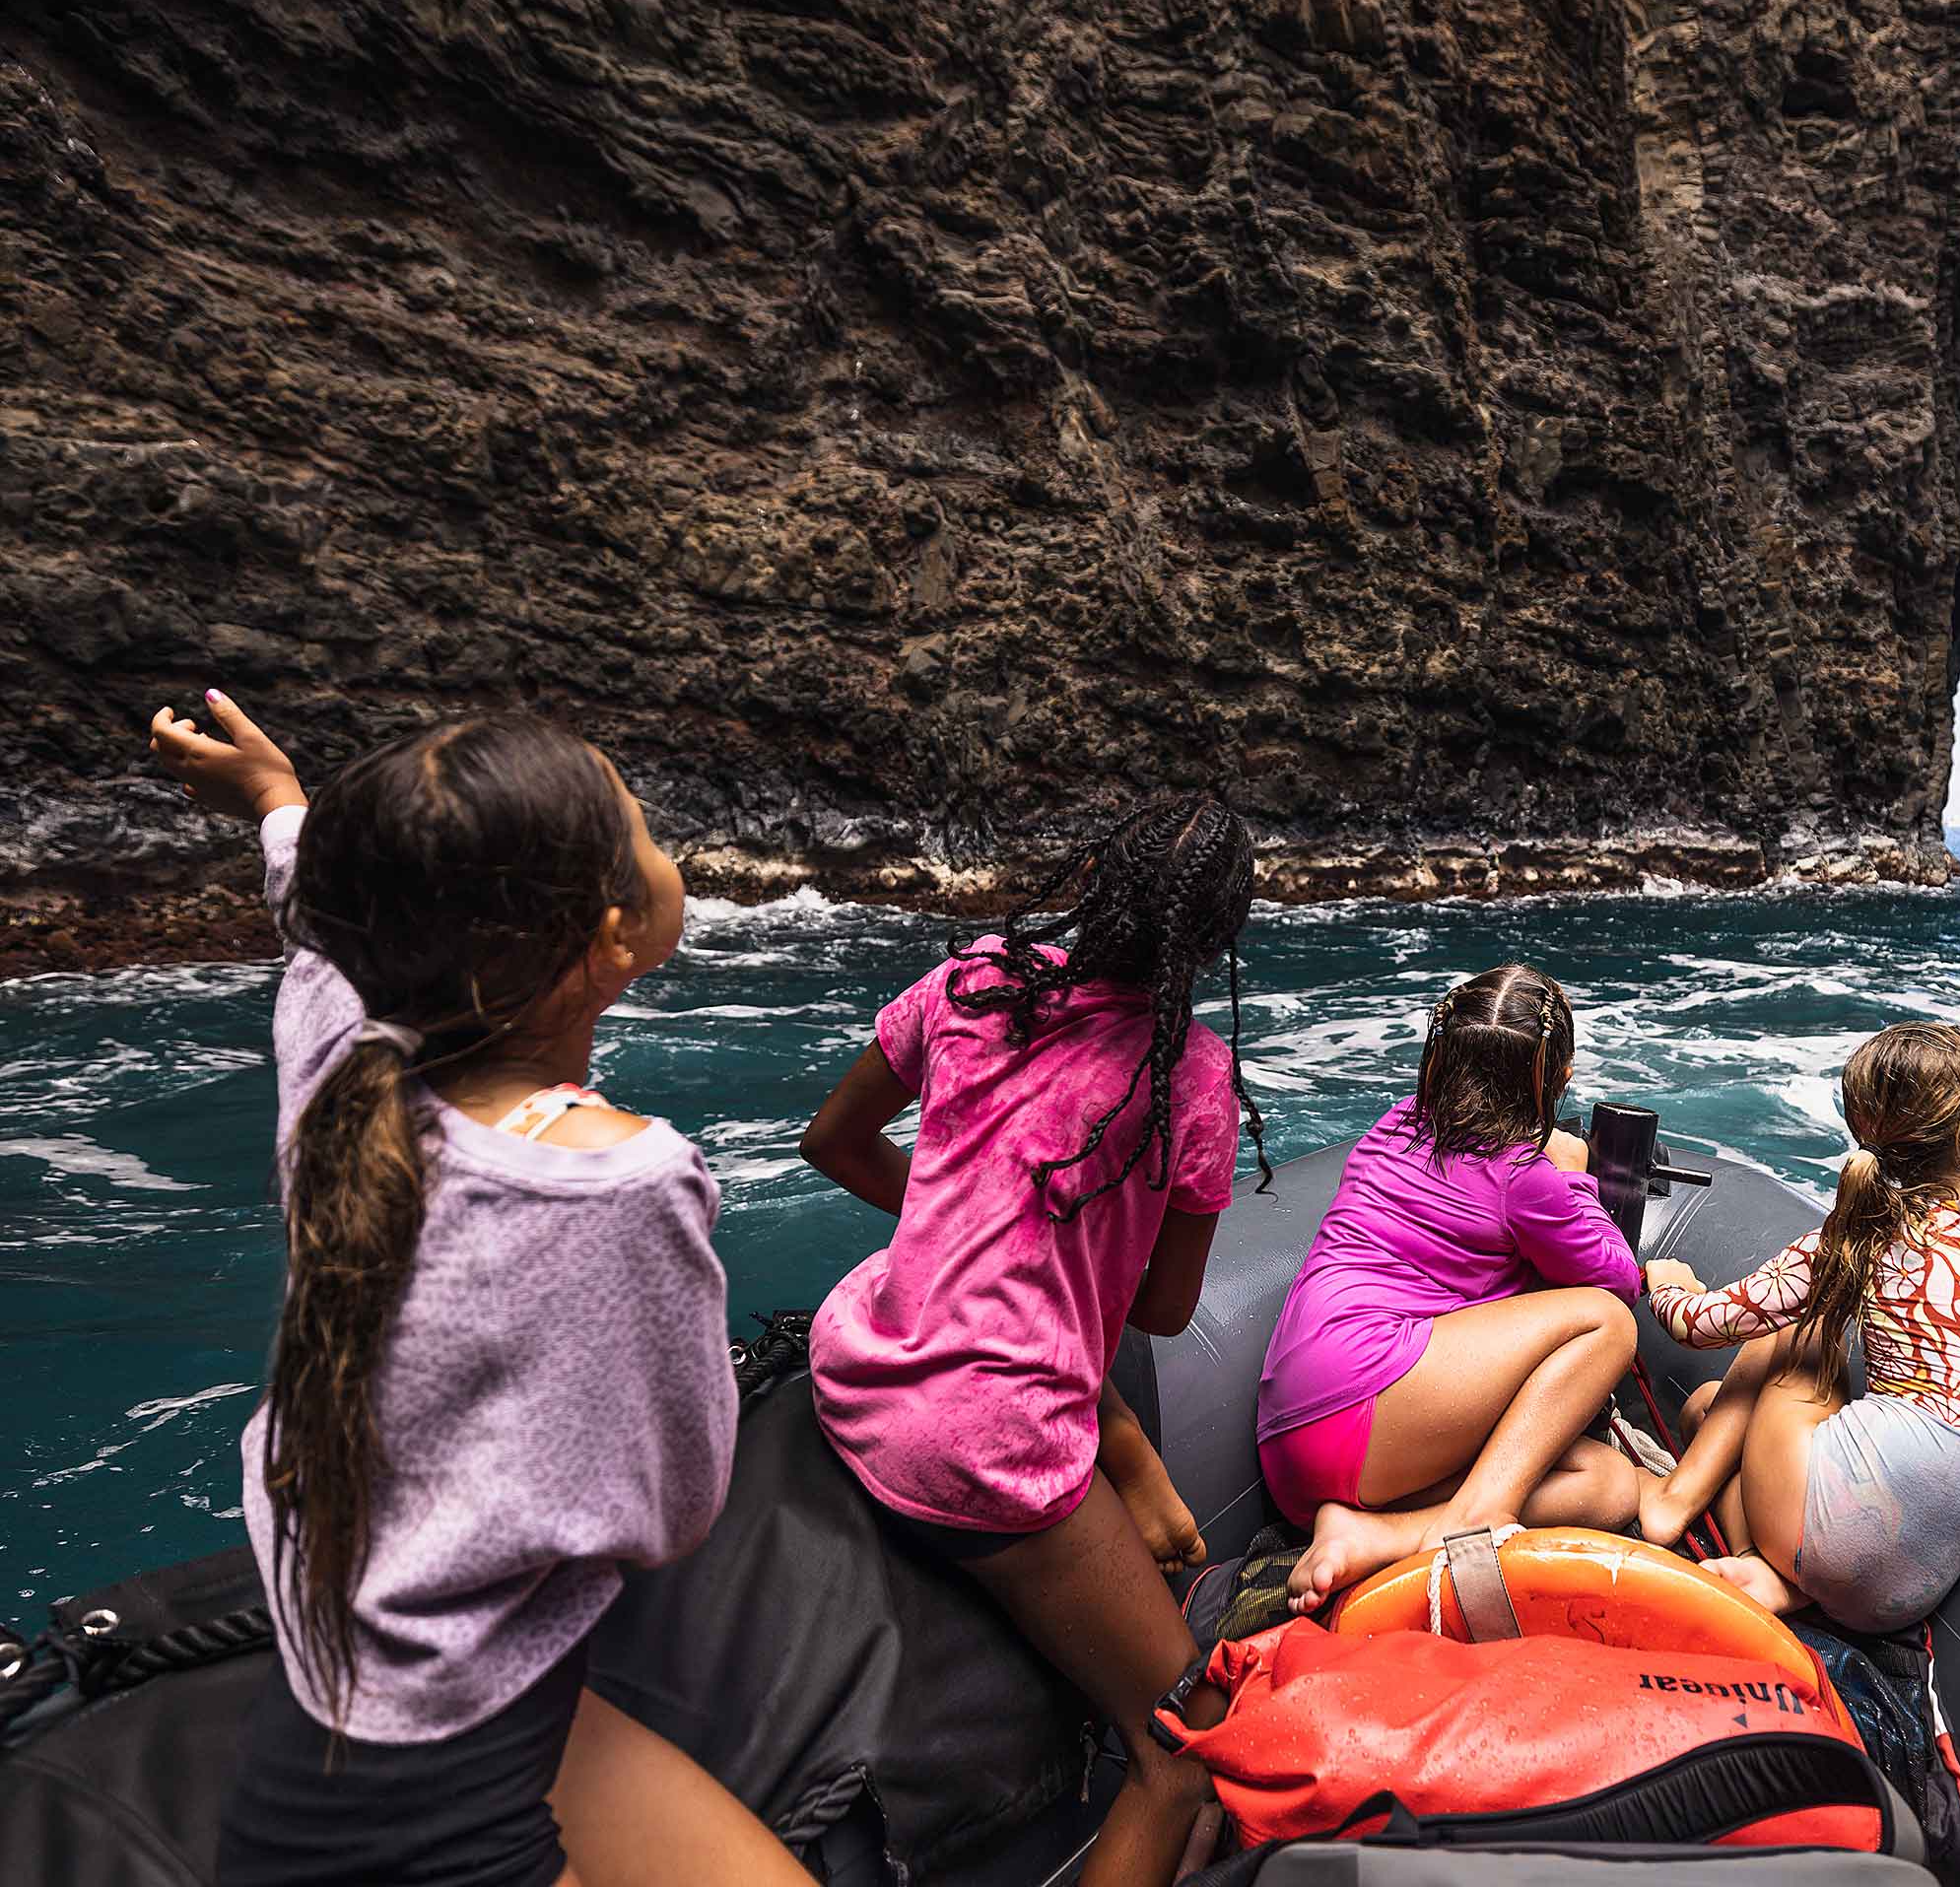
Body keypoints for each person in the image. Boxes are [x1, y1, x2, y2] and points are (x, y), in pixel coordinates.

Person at [148, 696, 807, 1887]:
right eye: (646, 830)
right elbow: (675, 1508)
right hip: (437, 1815)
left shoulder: (347, 1075)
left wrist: (275, 802)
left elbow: (324, 942)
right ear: (610, 936)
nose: (665, 853)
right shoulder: (619, 1180)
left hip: (363, 1723)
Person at [798, 794, 1269, 1887]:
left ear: (1099, 877)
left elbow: (833, 1140)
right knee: (1185, 1746)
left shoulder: (972, 982)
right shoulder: (1191, 1081)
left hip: (859, 1366)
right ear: (1214, 942)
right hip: (978, 1441)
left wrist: (965, 1217)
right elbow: (1157, 1310)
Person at [1635, 1020, 1960, 1629]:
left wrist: (1669, 1287)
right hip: (1904, 1592)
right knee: (1708, 1404)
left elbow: (1706, 1325)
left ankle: (1689, 1510)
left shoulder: (1860, 1237)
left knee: (1797, 1332)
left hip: (1820, 1524)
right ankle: (1777, 1575)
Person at [1260, 964, 1649, 1617]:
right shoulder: (1527, 1179)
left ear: (1438, 1058)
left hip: (1294, 1447)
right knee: (1607, 1322)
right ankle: (1475, 1516)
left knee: (1608, 1488)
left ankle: (1378, 1533)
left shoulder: (1393, 1125)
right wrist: (1574, 1172)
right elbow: (1617, 1279)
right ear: (1557, 1079)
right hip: (1368, 1402)